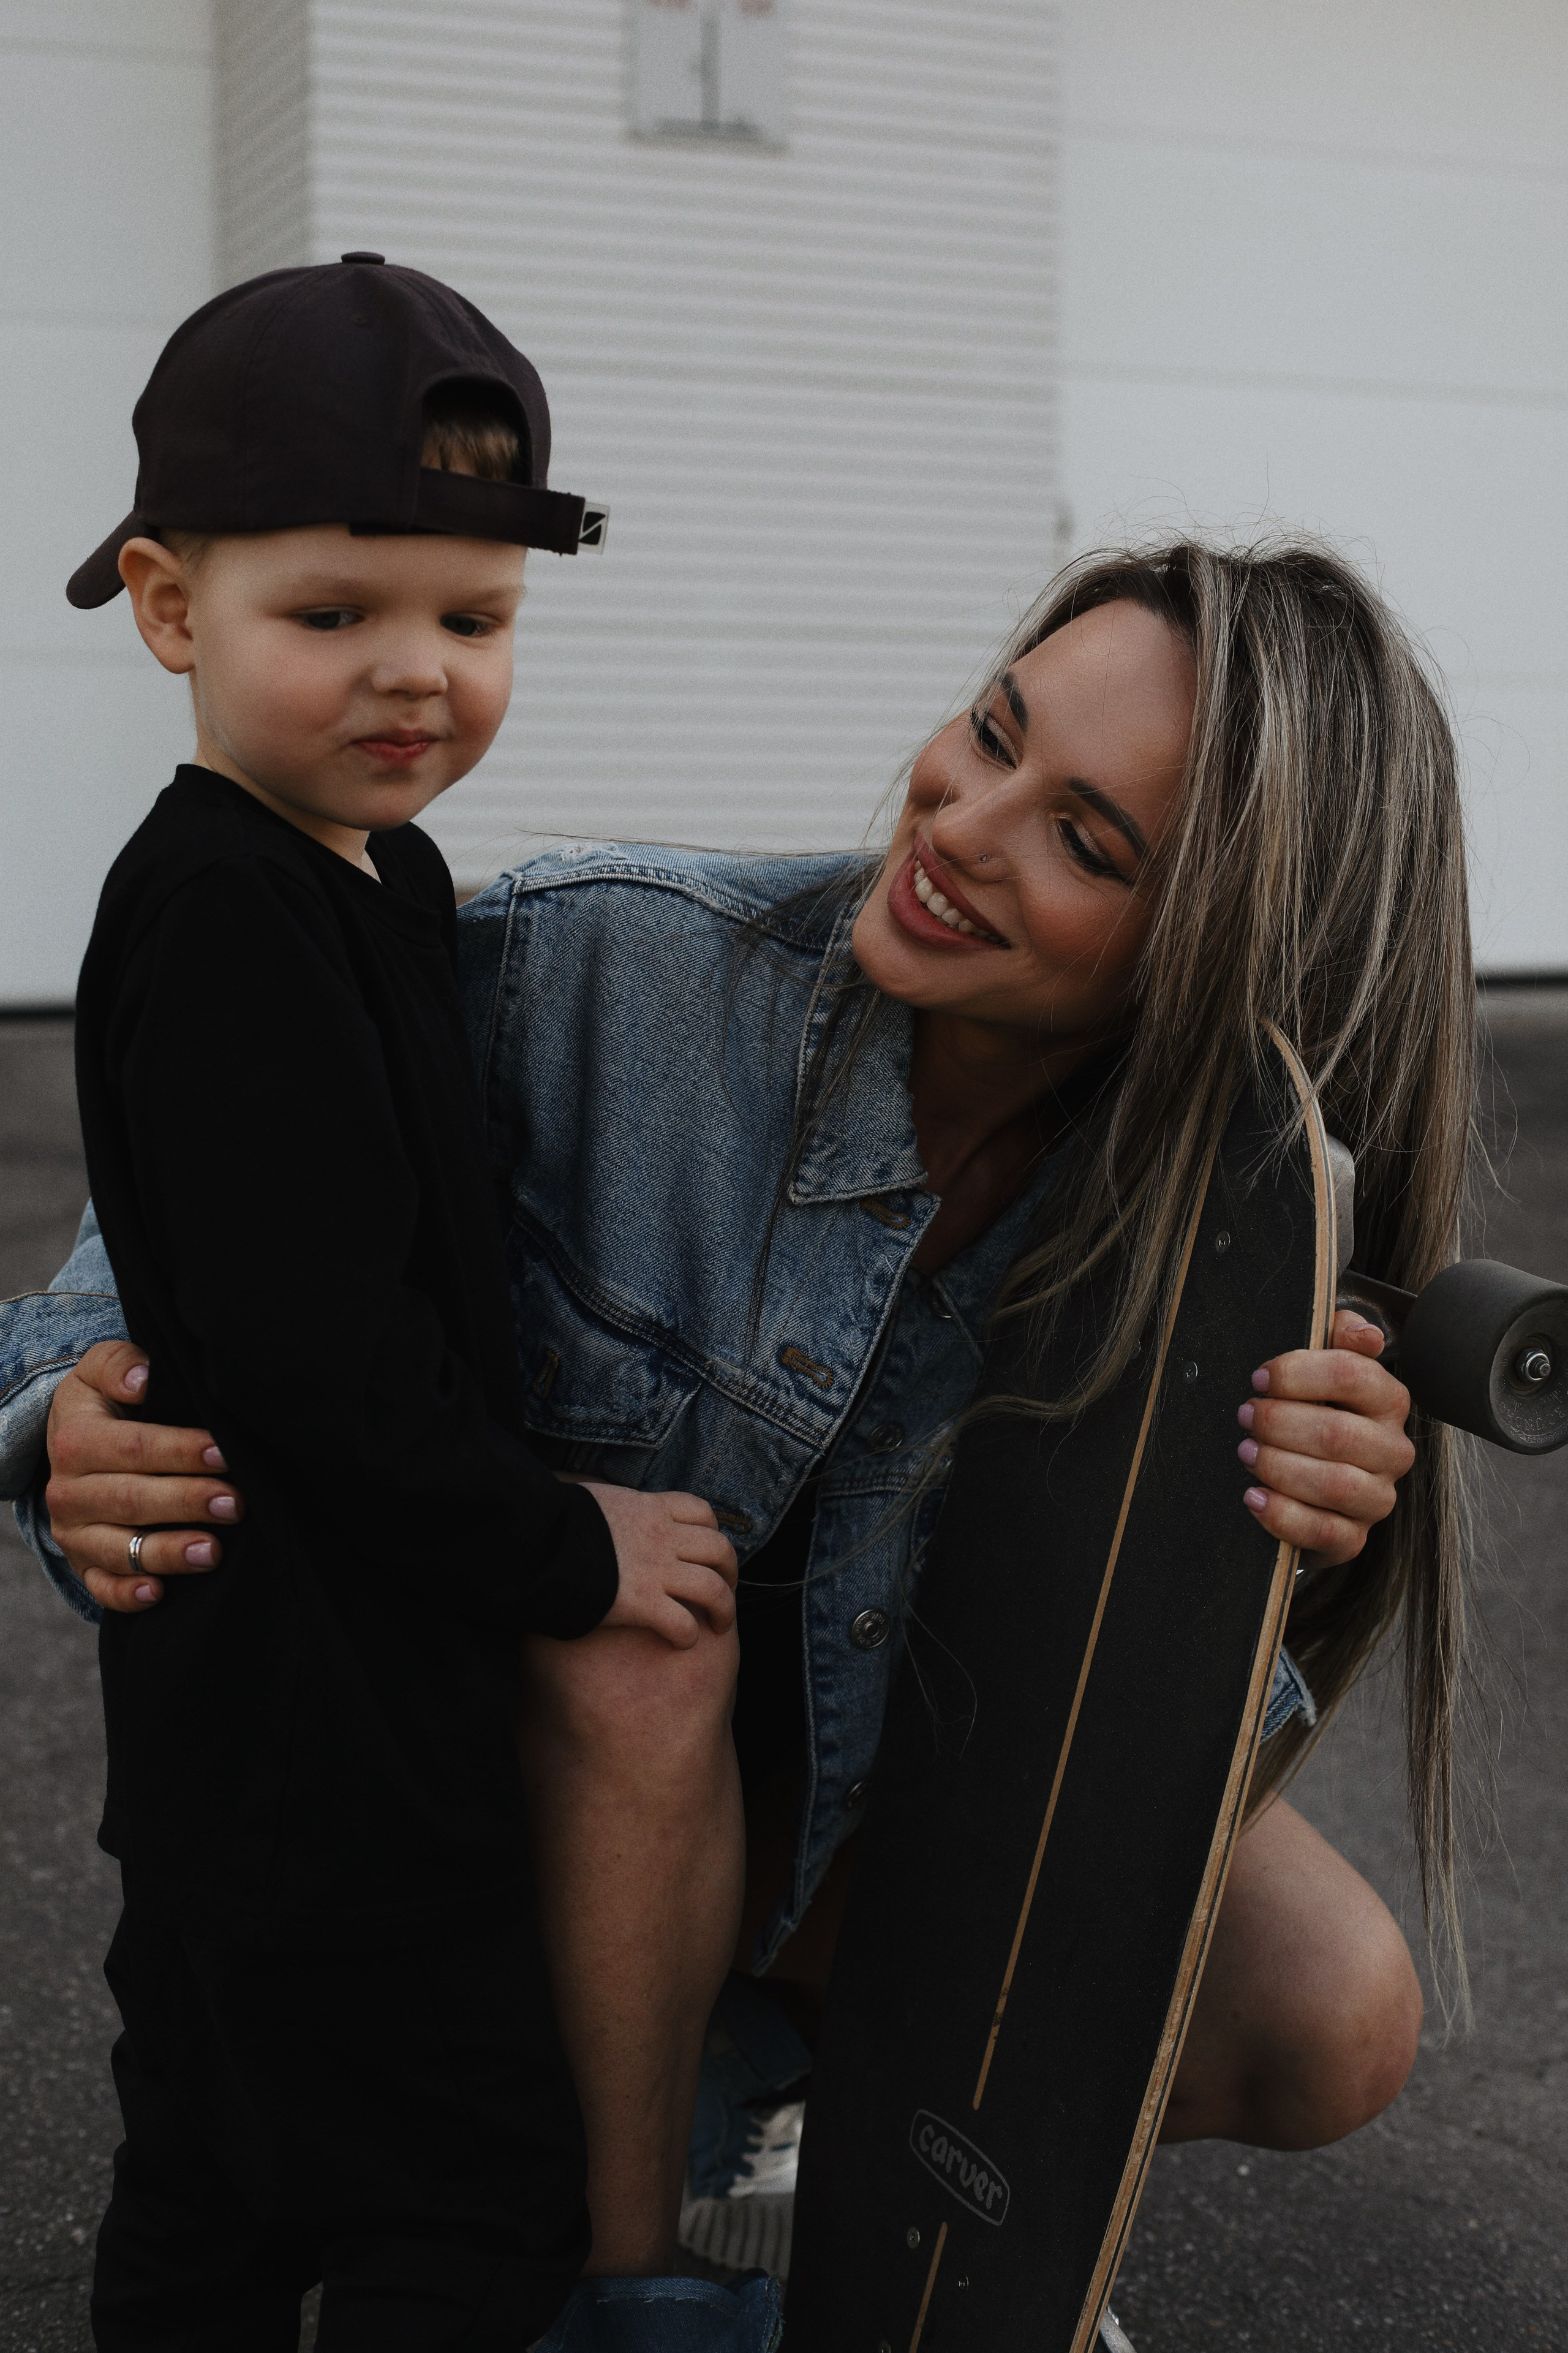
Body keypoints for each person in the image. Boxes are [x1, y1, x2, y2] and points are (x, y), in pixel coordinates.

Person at [2, 543, 1452, 2307]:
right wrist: (73, 1408)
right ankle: (629, 2275)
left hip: (832, 1845)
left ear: (1219, 959)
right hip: (490, 1826)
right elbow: (181, 1188)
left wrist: (1268, 1539)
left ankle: (788, 2134)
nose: (961, 822)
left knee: (1336, 2001)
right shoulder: (610, 974)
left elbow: (1099, 1772)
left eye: (1085, 840)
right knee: (637, 1641)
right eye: (990, 731)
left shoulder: (1227, 1252)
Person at [37, 254, 775, 2353]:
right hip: (306, 1715)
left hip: (298, 1695)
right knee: (448, 2178)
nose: (415, 677)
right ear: (176, 612)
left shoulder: (384, 876)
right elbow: (311, 1358)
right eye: (335, 616)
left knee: (224, 2149)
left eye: (476, 618)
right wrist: (567, 1545)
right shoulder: (221, 915)